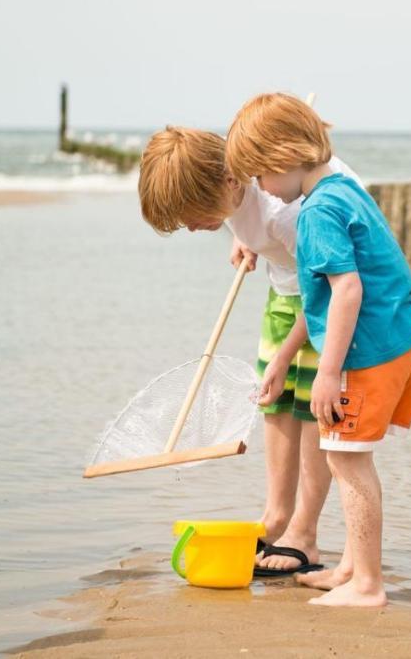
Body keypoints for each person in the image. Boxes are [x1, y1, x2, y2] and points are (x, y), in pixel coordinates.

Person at [225, 93, 411, 607]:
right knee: (347, 457)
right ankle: (349, 567)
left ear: (282, 160)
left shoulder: (315, 214)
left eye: (261, 177)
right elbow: (330, 295)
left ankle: (368, 585)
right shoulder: (344, 189)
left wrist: (327, 372)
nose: (263, 191)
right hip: (398, 338)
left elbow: (346, 291)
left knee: (346, 461)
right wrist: (285, 358)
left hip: (369, 351)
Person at [137, 123, 358, 577]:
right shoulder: (243, 197)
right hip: (285, 290)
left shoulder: (287, 212)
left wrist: (286, 354)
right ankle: (276, 516)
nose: (193, 228)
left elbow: (328, 290)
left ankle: (305, 533)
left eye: (194, 215)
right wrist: (245, 236)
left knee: (311, 407)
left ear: (230, 181)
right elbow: (249, 217)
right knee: (274, 402)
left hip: (325, 300)